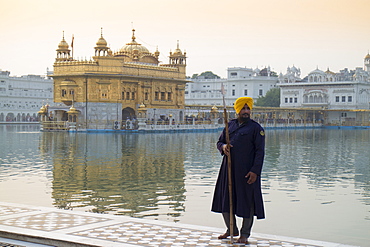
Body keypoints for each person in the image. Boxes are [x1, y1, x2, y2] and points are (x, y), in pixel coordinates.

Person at [211, 97, 265, 244]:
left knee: (247, 202)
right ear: (238, 110)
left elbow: (260, 152)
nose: (246, 111)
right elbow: (219, 142)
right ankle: (231, 229)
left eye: (248, 109)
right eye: (243, 108)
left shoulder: (256, 128)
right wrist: (223, 147)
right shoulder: (230, 125)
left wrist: (255, 171)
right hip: (228, 170)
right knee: (225, 199)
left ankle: (244, 234)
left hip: (247, 172)